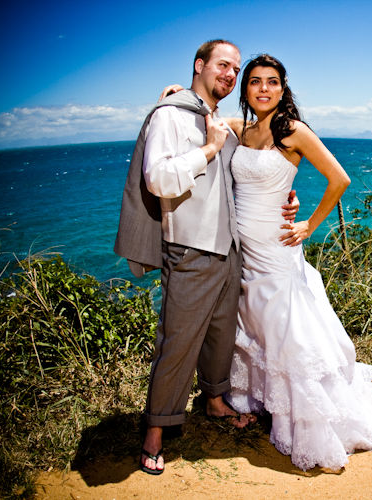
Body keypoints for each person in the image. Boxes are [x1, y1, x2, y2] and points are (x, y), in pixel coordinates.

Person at [114, 40, 299, 476]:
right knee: (177, 343)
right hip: (192, 248)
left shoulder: (215, 117)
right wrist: (209, 149)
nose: (231, 74)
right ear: (200, 65)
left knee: (221, 335)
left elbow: (257, 166)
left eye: (236, 69)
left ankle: (214, 401)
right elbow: (158, 178)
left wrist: (286, 198)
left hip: (231, 246)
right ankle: (156, 432)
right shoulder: (170, 116)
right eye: (223, 65)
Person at [222, 54, 372, 472]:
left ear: (283, 89)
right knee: (257, 325)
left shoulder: (292, 130)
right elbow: (205, 114)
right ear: (246, 89)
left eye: (272, 82)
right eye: (255, 81)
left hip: (277, 248)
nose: (263, 89)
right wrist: (176, 96)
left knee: (287, 332)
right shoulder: (240, 128)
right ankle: (266, 401)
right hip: (244, 250)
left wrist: (308, 225)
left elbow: (340, 179)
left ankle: (308, 422)